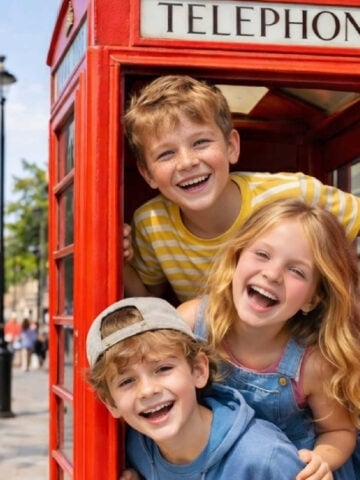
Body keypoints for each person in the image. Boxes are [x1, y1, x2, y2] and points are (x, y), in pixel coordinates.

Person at [122, 74, 360, 303]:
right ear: (148, 174)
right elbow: (150, 304)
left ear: (231, 147)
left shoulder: (293, 193)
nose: (187, 162)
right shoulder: (152, 223)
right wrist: (117, 259)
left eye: (201, 142)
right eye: (166, 154)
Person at [177, 199, 360, 479]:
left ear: (312, 299)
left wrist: (321, 460)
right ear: (237, 257)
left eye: (296, 271)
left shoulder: (312, 364)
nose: (272, 274)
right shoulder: (192, 322)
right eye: (262, 254)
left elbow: (339, 431)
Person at [86, 297, 305, 479]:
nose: (147, 390)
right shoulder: (136, 449)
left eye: (163, 368)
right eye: (127, 381)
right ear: (111, 403)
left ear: (199, 370)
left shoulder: (265, 459)